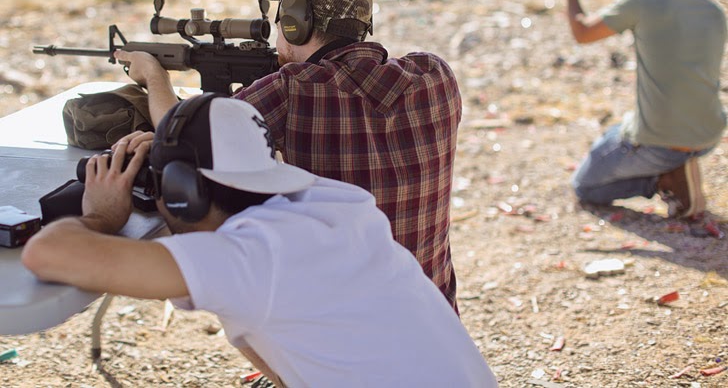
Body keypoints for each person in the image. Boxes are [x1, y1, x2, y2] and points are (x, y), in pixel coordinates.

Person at [22, 95, 497, 387]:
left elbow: (47, 252)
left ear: (183, 194)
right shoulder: (336, 202)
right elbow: (267, 336)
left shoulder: (248, 261)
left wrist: (103, 214)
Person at [114, 0, 462, 310]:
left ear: (297, 26)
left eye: (281, 22)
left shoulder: (292, 90)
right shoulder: (435, 76)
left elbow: (177, 133)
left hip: (341, 323)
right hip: (433, 315)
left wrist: (154, 76)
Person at [546, 0, 726, 219]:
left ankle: (666, 179)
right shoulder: (715, 11)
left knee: (584, 187)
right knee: (614, 132)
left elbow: (582, 32)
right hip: (709, 134)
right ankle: (676, 166)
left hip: (661, 142)